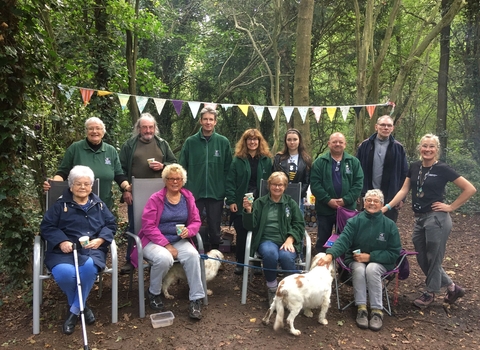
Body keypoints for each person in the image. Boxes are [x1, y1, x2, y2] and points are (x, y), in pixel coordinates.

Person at [383, 134, 476, 309]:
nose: (428, 149)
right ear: (420, 148)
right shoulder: (415, 167)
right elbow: (404, 190)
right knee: (422, 257)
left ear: (436, 149)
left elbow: (469, 188)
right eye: (425, 146)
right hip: (419, 219)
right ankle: (452, 287)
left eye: (431, 146)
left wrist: (450, 207)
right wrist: (387, 207)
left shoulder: (442, 168)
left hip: (437, 218)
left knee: (434, 258)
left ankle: (430, 293)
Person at [40, 165, 116, 335]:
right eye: (78, 184)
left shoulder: (99, 205)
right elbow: (47, 226)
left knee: (89, 269)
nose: (83, 187)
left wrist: (101, 239)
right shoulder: (61, 204)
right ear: (71, 186)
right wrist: (61, 241)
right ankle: (82, 307)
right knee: (65, 274)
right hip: (64, 251)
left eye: (86, 184)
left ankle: (73, 312)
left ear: (91, 186)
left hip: (92, 250)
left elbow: (111, 224)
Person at [317, 189, 400, 331]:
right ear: (363, 202)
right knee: (360, 268)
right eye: (369, 200)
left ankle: (376, 311)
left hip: (381, 262)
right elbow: (343, 240)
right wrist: (330, 255)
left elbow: (394, 252)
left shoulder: (389, 225)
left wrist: (371, 257)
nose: (372, 203)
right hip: (355, 260)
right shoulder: (355, 221)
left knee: (372, 268)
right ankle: (361, 308)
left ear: (381, 204)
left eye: (376, 201)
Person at [130, 164, 205, 319]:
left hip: (178, 239)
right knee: (164, 258)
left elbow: (196, 221)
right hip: (154, 240)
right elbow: (148, 225)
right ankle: (154, 292)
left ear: (183, 180)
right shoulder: (156, 199)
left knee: (193, 255)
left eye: (178, 179)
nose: (175, 182)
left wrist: (189, 230)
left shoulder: (188, 197)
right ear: (165, 180)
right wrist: (166, 244)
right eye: (171, 179)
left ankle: (196, 299)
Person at [119, 113, 177, 275]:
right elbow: (119, 170)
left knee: (158, 225)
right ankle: (131, 260)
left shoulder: (162, 144)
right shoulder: (129, 145)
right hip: (136, 193)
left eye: (151, 127)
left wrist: (163, 166)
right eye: (144, 127)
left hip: (160, 194)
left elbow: (174, 164)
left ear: (155, 128)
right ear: (139, 128)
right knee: (135, 225)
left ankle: (157, 258)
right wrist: (125, 190)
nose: (148, 130)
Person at [242, 172, 305, 305]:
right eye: (274, 184)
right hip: (266, 240)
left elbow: (299, 224)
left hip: (286, 240)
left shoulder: (291, 203)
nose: (277, 188)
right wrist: (248, 211)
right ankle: (272, 288)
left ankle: (290, 290)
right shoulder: (260, 203)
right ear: (269, 185)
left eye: (280, 185)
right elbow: (250, 226)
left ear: (285, 186)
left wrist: (291, 238)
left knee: (286, 257)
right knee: (270, 254)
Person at [43, 117, 130, 209]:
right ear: (86, 131)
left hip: (103, 204)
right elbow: (63, 172)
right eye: (91, 128)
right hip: (78, 205)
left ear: (103, 132)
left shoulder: (111, 150)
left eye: (98, 128)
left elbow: (119, 175)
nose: (94, 131)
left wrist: (127, 187)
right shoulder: (75, 148)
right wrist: (53, 184)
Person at [179, 107, 232, 250]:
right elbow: (182, 167)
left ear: (215, 122)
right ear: (201, 121)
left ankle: (215, 256)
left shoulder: (223, 142)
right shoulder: (190, 142)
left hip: (216, 193)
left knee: (215, 227)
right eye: (205, 119)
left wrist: (225, 190)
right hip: (194, 193)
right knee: (192, 224)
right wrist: (184, 189)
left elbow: (229, 169)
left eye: (211, 119)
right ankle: (193, 254)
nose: (208, 122)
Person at [225, 129, 272, 275]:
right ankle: (240, 262)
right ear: (245, 142)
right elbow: (230, 182)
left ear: (260, 141)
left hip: (260, 202)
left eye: (255, 139)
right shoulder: (237, 160)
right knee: (242, 232)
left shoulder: (266, 160)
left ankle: (257, 263)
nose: (252, 142)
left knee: (259, 232)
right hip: (241, 202)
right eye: (249, 139)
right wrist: (232, 200)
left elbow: (271, 181)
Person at [310, 132, 364, 252]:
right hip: (325, 209)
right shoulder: (319, 162)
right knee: (323, 241)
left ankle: (345, 269)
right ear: (329, 144)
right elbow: (315, 184)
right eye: (334, 142)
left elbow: (358, 184)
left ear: (345, 144)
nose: (337, 144)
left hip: (347, 210)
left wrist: (346, 200)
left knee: (347, 240)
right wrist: (328, 200)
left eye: (340, 142)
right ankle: (322, 267)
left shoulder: (353, 162)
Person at [356, 115, 408, 222]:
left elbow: (404, 174)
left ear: (392, 128)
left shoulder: (398, 148)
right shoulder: (365, 146)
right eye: (383, 125)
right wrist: (358, 193)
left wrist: (401, 198)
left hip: (390, 198)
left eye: (389, 125)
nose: (386, 128)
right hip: (367, 196)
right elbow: (357, 171)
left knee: (386, 230)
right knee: (365, 228)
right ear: (376, 127)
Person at [273, 128, 312, 209]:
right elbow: (274, 177)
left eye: (295, 139)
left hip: (298, 199)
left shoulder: (306, 159)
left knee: (297, 221)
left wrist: (297, 193)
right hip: (279, 197)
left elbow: (307, 181)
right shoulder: (279, 158)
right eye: (289, 140)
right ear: (285, 141)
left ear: (299, 141)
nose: (292, 142)